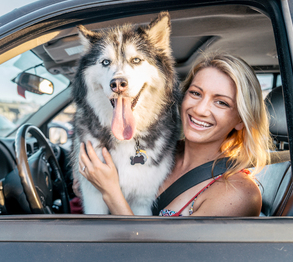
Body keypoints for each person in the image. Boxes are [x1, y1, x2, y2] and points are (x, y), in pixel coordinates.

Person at [78, 53, 272, 216]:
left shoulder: (238, 193)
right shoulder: (158, 152)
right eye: (196, 93)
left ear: (240, 119)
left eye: (221, 102)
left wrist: (110, 192)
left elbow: (164, 257)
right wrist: (91, 185)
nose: (200, 109)